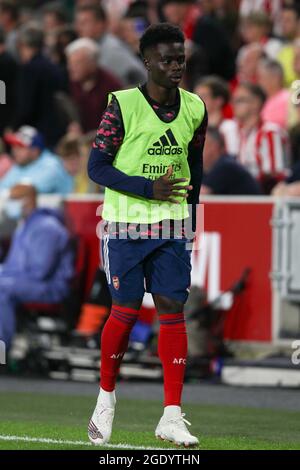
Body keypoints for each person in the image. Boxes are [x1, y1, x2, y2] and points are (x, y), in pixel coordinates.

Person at [87, 23, 207, 447]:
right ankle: (106, 397)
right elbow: (96, 167)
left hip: (173, 225)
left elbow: (196, 168)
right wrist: (146, 188)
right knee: (126, 309)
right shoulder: (121, 105)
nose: (176, 66)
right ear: (147, 62)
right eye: (168, 59)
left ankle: (171, 414)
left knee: (173, 307)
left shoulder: (195, 107)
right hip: (124, 225)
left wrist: (191, 220)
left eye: (181, 58)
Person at [0, 184, 75, 348]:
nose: (9, 204)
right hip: (28, 281)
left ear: (28, 200)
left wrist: (6, 276)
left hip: (50, 287)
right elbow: (13, 265)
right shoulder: (25, 226)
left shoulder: (47, 227)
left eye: (13, 200)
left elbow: (40, 271)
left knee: (2, 288)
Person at [12, 25, 66, 147]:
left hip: (37, 134)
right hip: (56, 129)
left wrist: (14, 127)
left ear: (23, 45)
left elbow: (26, 107)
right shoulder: (53, 67)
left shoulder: (29, 69)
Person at [75, 4, 147, 86]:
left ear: (100, 24)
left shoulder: (112, 49)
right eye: (78, 23)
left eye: (84, 23)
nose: (78, 28)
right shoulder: (93, 47)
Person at [65, 38, 123, 133]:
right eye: (70, 63)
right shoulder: (73, 82)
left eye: (77, 63)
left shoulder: (111, 86)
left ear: (92, 63)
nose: (71, 68)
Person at [0, 126, 73, 194]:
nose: (14, 151)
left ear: (35, 151)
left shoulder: (52, 165)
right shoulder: (19, 166)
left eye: (20, 147)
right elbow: (3, 187)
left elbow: (27, 190)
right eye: (13, 147)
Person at [201, 126, 261, 195]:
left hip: (251, 205)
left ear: (214, 147)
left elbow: (202, 195)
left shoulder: (226, 166)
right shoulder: (208, 169)